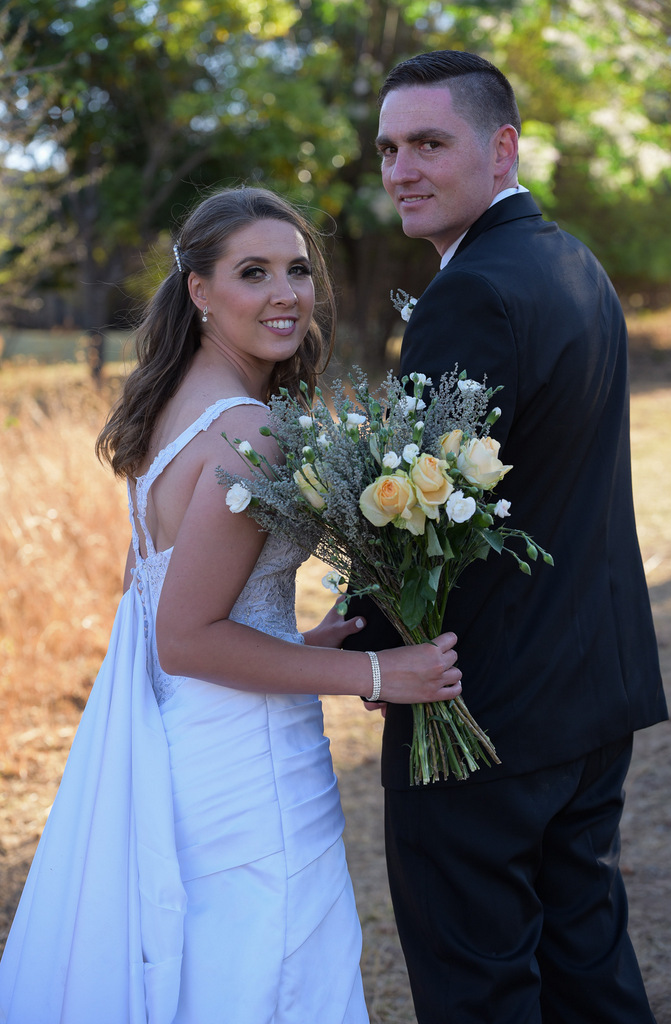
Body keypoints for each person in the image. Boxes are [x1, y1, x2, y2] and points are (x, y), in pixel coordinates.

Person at [0, 186, 463, 1024]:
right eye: (254, 272)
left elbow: (161, 597)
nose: (286, 294)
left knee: (220, 977)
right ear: (199, 290)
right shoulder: (250, 432)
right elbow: (183, 637)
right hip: (250, 770)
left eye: (298, 270)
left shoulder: (175, 410)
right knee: (269, 978)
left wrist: (302, 643)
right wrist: (376, 673)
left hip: (192, 741)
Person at [345, 50, 668, 1023]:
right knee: (587, 968)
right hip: (593, 686)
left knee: (479, 987)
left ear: (502, 149)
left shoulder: (472, 291)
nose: (401, 169)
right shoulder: (575, 263)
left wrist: (367, 647)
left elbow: (420, 517)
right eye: (388, 148)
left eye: (428, 143)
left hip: (486, 711)